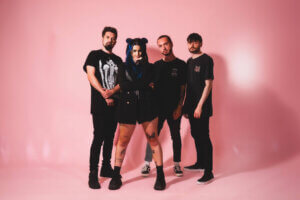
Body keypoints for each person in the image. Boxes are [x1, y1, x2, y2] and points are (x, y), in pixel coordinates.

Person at [108, 38, 166, 190]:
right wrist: (144, 85)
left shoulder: (150, 67)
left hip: (148, 106)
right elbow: (124, 85)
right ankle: (116, 175)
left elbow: (148, 84)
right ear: (129, 52)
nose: (137, 53)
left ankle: (160, 176)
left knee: (153, 139)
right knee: (122, 141)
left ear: (143, 51)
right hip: (127, 107)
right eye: (134, 50)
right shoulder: (122, 67)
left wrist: (141, 82)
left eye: (140, 50)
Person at [141, 35, 186, 177]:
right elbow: (151, 85)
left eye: (165, 44)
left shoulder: (181, 65)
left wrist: (180, 107)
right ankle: (147, 163)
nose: (163, 48)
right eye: (160, 46)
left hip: (174, 108)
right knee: (152, 136)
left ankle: (177, 164)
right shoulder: (156, 66)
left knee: (176, 136)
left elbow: (183, 88)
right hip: (158, 108)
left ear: (171, 44)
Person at [83, 26, 122, 189]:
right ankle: (93, 173)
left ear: (116, 40)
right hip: (99, 105)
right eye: (108, 37)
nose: (110, 40)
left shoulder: (119, 60)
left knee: (110, 136)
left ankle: (106, 167)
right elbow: (90, 75)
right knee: (98, 136)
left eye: (113, 38)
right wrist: (103, 92)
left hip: (115, 104)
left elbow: (122, 82)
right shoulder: (94, 55)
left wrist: (112, 92)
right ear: (102, 38)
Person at [183, 33, 215, 184]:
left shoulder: (207, 60)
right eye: (189, 43)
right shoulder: (188, 61)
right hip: (191, 107)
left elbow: (208, 85)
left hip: (202, 106)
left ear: (201, 43)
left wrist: (199, 106)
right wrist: (186, 107)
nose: (192, 46)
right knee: (195, 134)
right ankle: (200, 162)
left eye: (195, 42)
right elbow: (188, 87)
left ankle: (209, 171)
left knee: (204, 136)